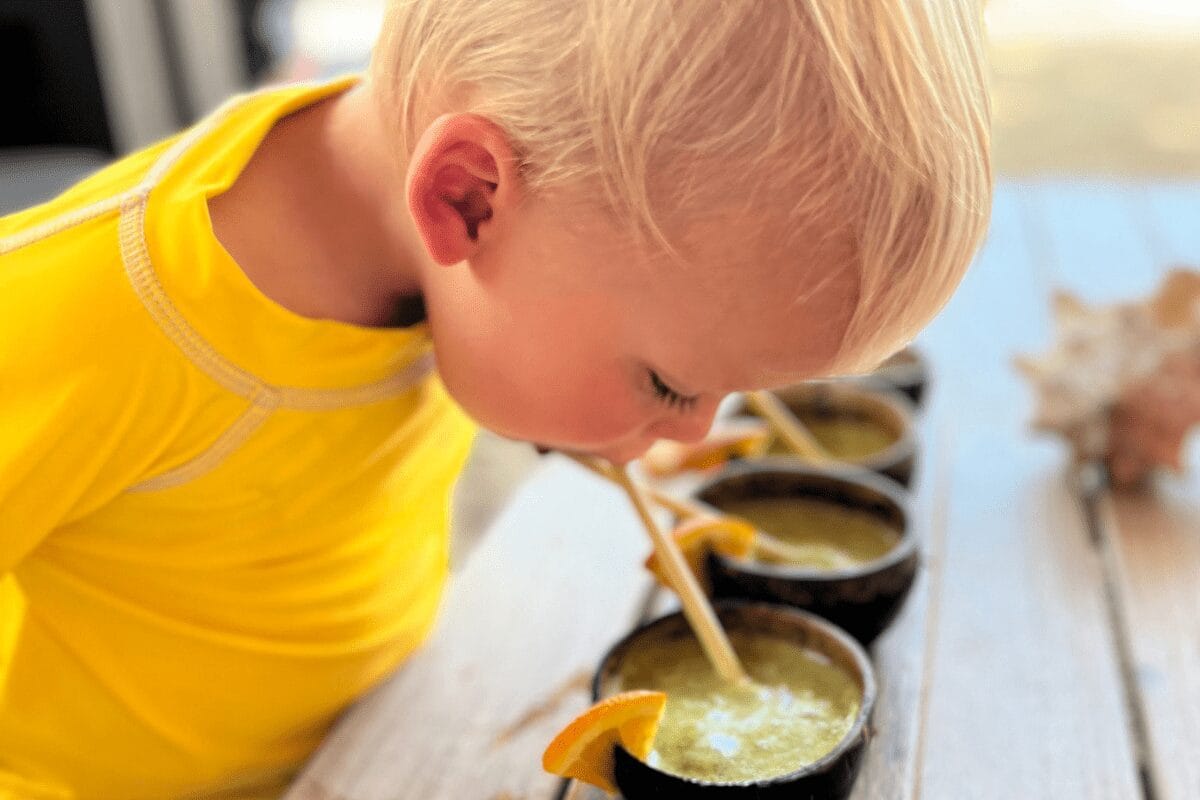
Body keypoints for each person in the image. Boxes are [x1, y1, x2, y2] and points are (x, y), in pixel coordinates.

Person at [0, 1, 991, 796]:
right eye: (671, 382)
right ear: (467, 199)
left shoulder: (450, 250)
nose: (698, 428)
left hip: (373, 729)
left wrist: (615, 399)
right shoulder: (92, 310)